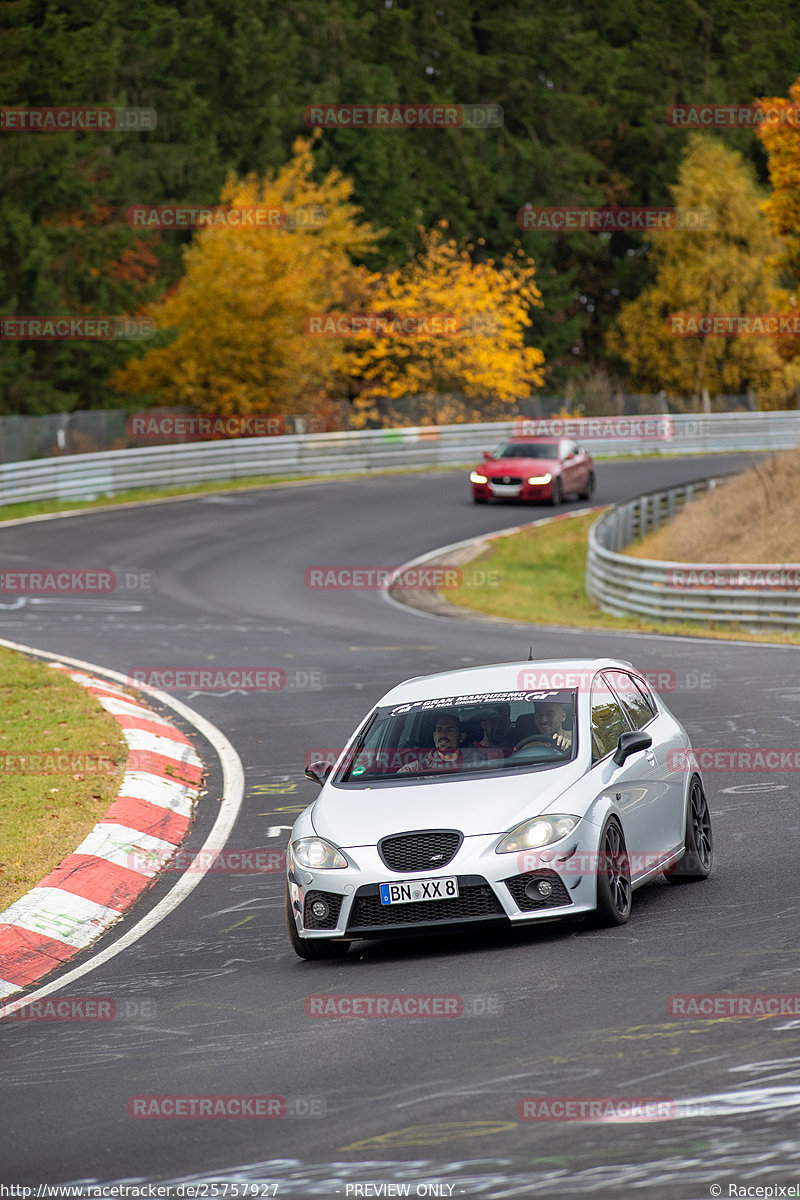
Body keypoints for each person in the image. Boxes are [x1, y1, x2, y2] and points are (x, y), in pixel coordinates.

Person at [396, 711, 488, 773]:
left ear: (461, 737)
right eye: (439, 730)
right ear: (434, 737)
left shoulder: (476, 764)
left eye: (449, 730)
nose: (443, 734)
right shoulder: (416, 768)